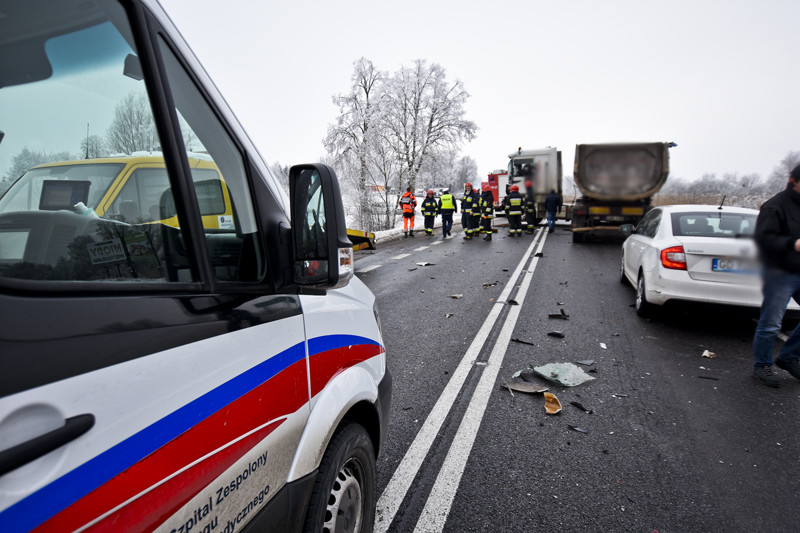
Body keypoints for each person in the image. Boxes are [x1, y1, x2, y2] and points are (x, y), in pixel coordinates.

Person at [752, 163, 800, 387]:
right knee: (772, 322)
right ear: (794, 181)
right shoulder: (775, 206)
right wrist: (793, 244)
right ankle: (762, 365)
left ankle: (788, 357)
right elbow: (764, 240)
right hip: (780, 272)